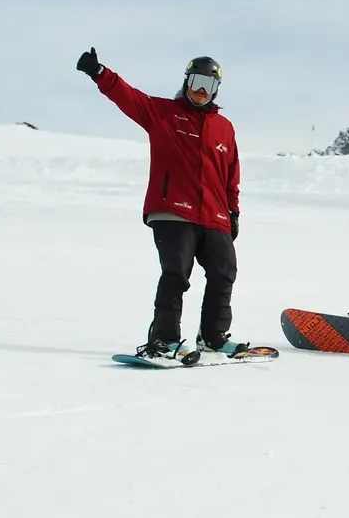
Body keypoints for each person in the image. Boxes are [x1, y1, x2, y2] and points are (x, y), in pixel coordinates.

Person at [76, 47, 245, 360]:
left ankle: (213, 338)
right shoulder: (162, 112)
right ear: (186, 82)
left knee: (224, 273)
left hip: (215, 215)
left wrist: (232, 211)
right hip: (173, 210)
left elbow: (231, 175)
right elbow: (129, 97)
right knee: (176, 273)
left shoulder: (225, 127)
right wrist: (100, 74)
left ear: (216, 89)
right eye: (196, 82)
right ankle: (165, 340)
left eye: (208, 85)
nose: (201, 90)